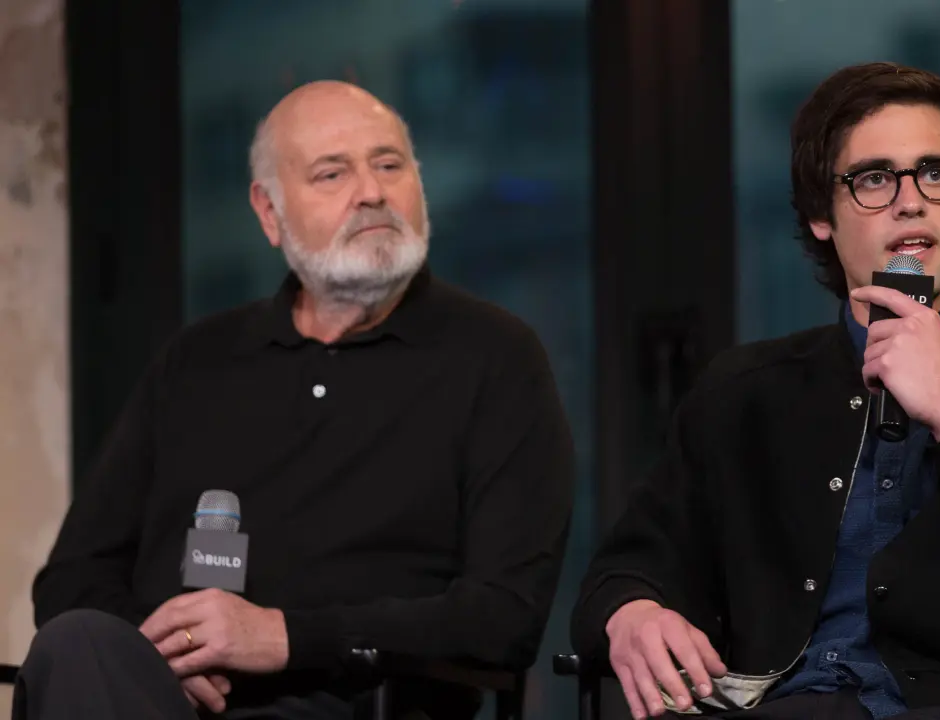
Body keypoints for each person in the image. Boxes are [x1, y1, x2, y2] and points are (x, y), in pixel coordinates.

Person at [570, 62, 940, 720]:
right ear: (821, 216)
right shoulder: (745, 393)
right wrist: (632, 612)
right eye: (875, 178)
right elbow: (625, 568)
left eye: (936, 173)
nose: (911, 201)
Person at [15, 81, 575, 720]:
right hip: (167, 704)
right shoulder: (198, 362)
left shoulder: (495, 356)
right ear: (268, 212)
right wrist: (166, 655)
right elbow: (72, 579)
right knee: (74, 642)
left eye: (389, 165)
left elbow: (505, 616)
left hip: (357, 705)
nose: (371, 192)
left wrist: (282, 637)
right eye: (332, 173)